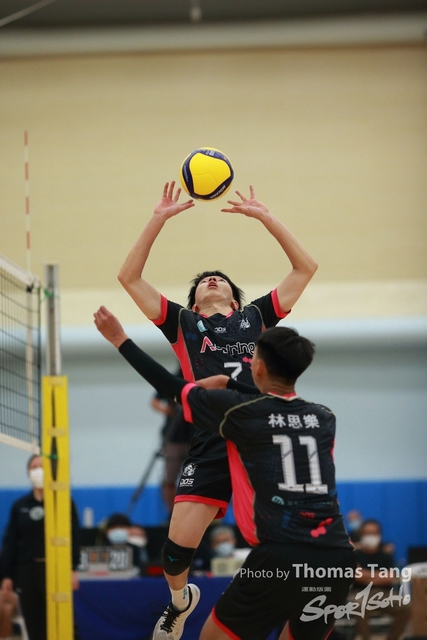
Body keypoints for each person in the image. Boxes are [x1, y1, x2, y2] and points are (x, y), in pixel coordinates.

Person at [117, 181, 318, 637]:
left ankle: (298, 605)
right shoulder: (184, 324)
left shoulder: (256, 318)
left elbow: (305, 268)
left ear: (235, 299)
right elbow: (129, 278)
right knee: (174, 553)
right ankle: (180, 600)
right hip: (209, 439)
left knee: (286, 539)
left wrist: (266, 217)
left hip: (259, 439)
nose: (212, 279)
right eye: (204, 280)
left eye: (220, 278)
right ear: (193, 302)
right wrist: (157, 219)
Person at [94, 308, 356, 640]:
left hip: (279, 554)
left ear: (258, 366)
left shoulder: (239, 412)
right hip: (337, 556)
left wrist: (120, 339)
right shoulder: (324, 417)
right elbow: (279, 404)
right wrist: (231, 382)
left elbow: (168, 385)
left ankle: (179, 602)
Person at [0, 454, 80, 640]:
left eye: (42, 467)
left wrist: (73, 568)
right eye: (34, 467)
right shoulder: (20, 506)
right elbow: (11, 542)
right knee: (34, 622)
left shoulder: (63, 501)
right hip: (27, 570)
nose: (38, 471)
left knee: (63, 620)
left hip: (56, 568)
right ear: (29, 472)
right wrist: (6, 575)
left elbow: (74, 537)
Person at [350, 519, 411, 640]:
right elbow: (357, 576)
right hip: (360, 593)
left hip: (385, 594)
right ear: (361, 535)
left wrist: (366, 575)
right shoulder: (355, 555)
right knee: (357, 605)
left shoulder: (386, 555)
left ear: (379, 535)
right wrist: (379, 576)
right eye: (367, 533)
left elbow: (389, 578)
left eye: (374, 533)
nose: (371, 536)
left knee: (406, 606)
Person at [151, 373, 193, 515]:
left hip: (194, 437)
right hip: (173, 437)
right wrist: (168, 411)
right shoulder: (172, 379)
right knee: (169, 479)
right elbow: (154, 401)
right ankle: (172, 513)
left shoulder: (198, 378)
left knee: (194, 479)